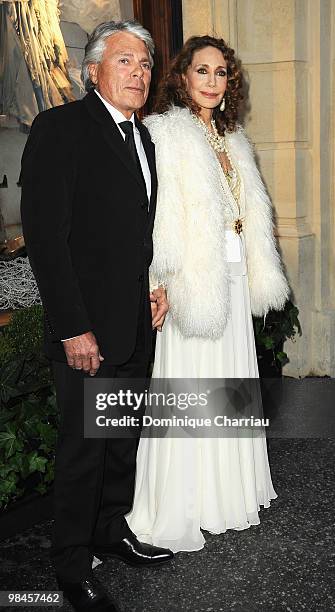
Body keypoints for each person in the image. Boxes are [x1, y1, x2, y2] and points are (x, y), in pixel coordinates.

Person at [20, 20, 173, 612]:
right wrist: (70, 327)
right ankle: (70, 561)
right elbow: (47, 240)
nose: (140, 72)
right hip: (86, 329)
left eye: (145, 64)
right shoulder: (61, 129)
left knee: (121, 440)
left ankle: (112, 530)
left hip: (134, 321)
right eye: (126, 61)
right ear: (92, 70)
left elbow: (137, 230)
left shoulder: (145, 138)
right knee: (84, 447)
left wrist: (154, 287)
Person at [127, 35, 290, 553]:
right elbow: (155, 219)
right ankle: (184, 503)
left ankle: (228, 494)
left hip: (235, 275)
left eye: (221, 73)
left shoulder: (231, 137)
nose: (213, 82)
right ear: (182, 76)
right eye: (203, 71)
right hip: (193, 282)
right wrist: (162, 280)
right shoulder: (164, 133)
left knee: (231, 385)